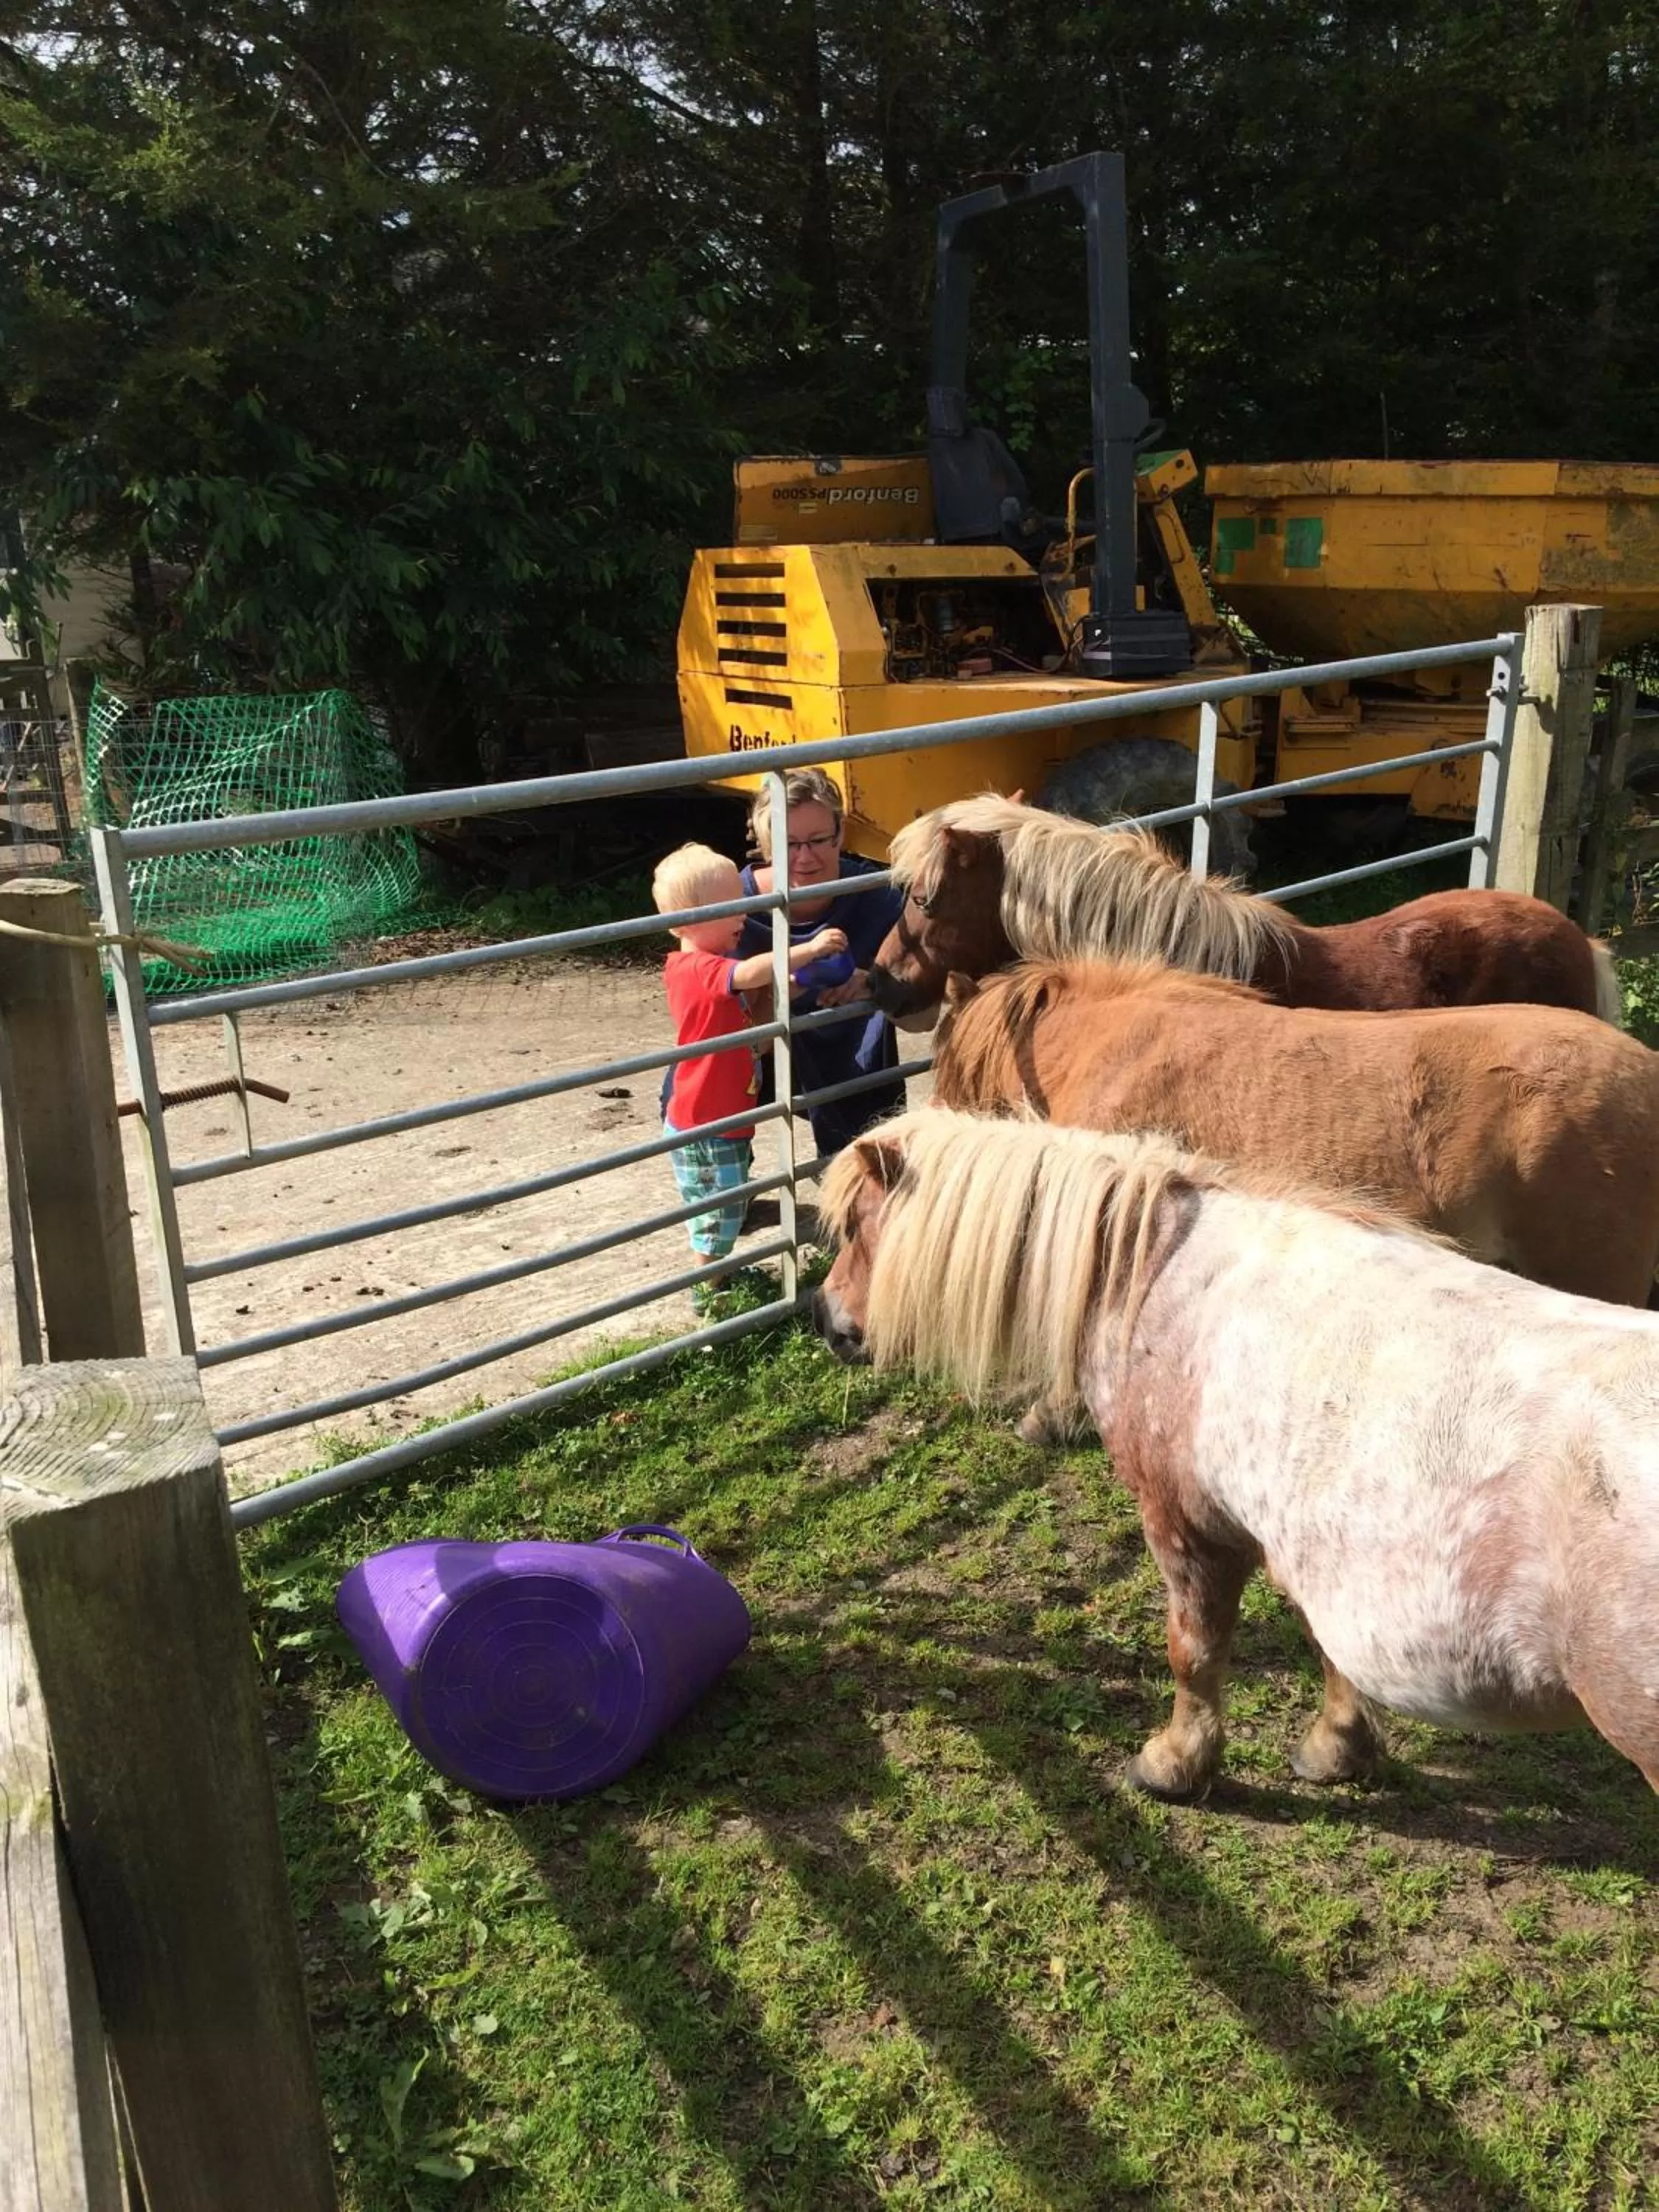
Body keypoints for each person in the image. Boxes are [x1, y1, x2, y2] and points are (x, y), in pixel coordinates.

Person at [652, 842, 847, 1293]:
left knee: (726, 1203)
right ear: (683, 923)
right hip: (705, 1121)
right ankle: (708, 1294)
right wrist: (808, 949)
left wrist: (800, 983)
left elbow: (756, 1013)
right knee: (715, 1217)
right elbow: (755, 974)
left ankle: (719, 1274)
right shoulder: (694, 969)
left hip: (728, 1118)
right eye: (730, 905)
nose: (745, 911)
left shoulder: (718, 968)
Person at [734, 768, 910, 1159]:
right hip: (762, 1050)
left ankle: (859, 1167)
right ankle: (725, 1182)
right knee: (689, 1087)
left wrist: (875, 984)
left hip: (849, 1054)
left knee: (869, 1154)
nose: (805, 858)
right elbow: (709, 1019)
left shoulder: (878, 895)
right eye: (788, 844)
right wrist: (778, 994)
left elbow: (926, 1007)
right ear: (765, 846)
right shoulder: (736, 908)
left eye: (817, 840)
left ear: (840, 834)